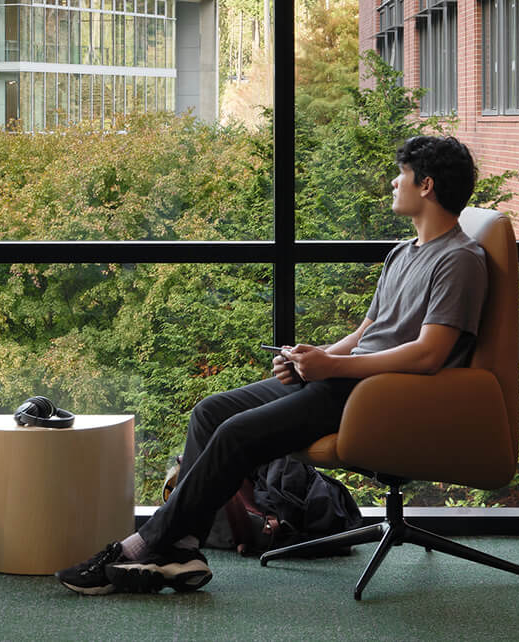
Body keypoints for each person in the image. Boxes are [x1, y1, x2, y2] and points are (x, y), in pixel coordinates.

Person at [56, 134, 489, 596]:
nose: (391, 182)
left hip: (379, 396)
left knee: (236, 436)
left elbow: (429, 354)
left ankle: (142, 546)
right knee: (211, 411)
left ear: (425, 185)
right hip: (347, 381)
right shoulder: (403, 252)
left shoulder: (460, 260)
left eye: (400, 175)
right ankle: (181, 548)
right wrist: (310, 358)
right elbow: (367, 332)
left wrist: (332, 369)